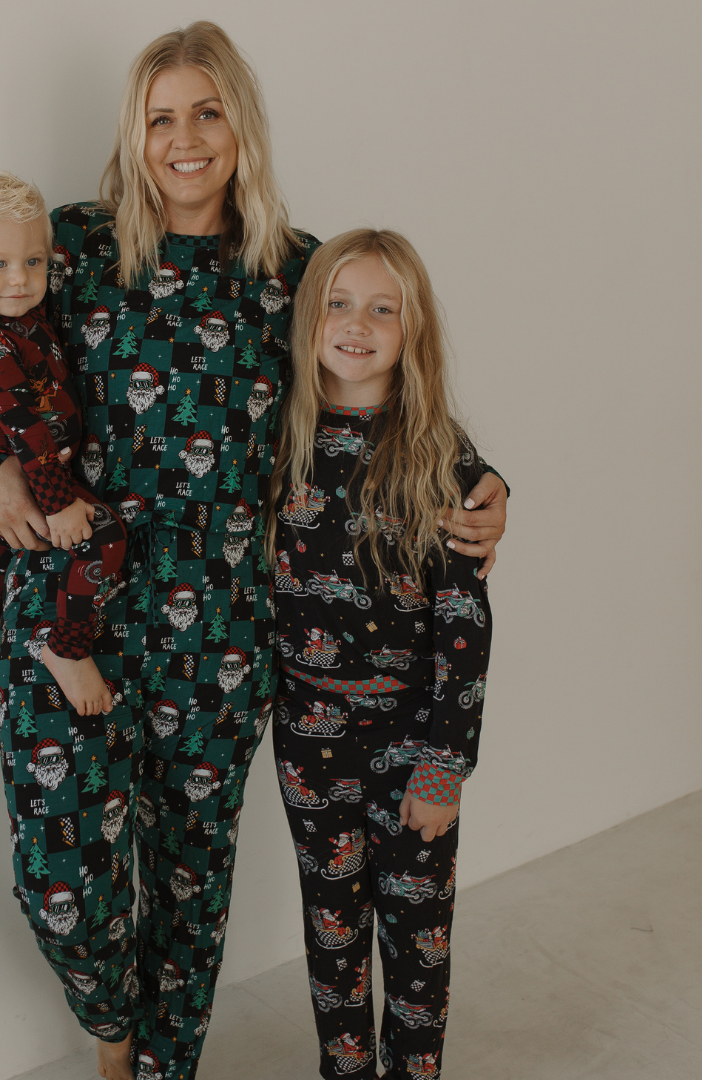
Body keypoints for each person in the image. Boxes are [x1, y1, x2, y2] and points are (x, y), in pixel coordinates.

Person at [0, 23, 508, 1080]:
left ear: (242, 122)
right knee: (63, 888)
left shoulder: (297, 272)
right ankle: (114, 1034)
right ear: (134, 132)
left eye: (208, 111)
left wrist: (479, 484)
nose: (185, 138)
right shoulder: (70, 248)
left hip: (227, 641)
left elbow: (383, 393)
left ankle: (161, 1070)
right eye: (161, 117)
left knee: (190, 900)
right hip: (73, 622)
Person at [267, 229, 494, 1080]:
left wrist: (445, 764)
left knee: (417, 942)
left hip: (412, 740)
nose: (356, 324)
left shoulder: (440, 455)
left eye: (382, 309)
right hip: (307, 737)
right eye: (338, 303)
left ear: (413, 330)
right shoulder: (278, 438)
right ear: (309, 316)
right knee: (332, 938)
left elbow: (465, 624)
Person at [0, 169, 126, 716]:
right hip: (37, 465)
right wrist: (59, 499)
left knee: (14, 543)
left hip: (48, 462)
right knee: (104, 537)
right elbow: (25, 430)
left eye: (34, 261)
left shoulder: (6, 313)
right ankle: (67, 649)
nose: (20, 278)